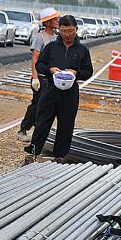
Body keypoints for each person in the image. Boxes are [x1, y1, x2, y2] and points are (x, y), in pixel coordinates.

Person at [23, 15, 93, 160]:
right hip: (50, 90)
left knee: (66, 125)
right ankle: (33, 152)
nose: (67, 34)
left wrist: (76, 73)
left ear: (76, 30)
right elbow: (39, 65)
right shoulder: (51, 48)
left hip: (70, 92)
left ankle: (59, 156)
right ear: (59, 30)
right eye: (64, 31)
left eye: (71, 31)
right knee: (42, 122)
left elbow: (88, 72)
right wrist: (50, 70)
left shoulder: (82, 50)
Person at [17, 7, 60, 140]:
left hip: (51, 78)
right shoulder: (40, 37)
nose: (57, 21)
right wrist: (35, 77)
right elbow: (35, 58)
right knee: (36, 105)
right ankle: (23, 130)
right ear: (47, 22)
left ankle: (38, 131)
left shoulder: (57, 38)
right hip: (40, 78)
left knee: (47, 107)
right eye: (55, 19)